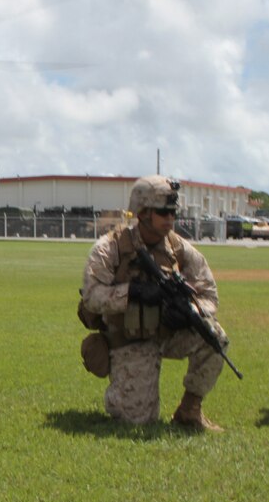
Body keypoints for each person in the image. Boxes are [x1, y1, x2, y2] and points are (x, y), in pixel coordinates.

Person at [80, 175, 228, 431]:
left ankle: (190, 410)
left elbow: (209, 293)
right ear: (143, 212)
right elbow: (92, 296)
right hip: (130, 339)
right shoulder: (110, 247)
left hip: (169, 333)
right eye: (163, 212)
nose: (170, 218)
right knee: (137, 420)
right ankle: (119, 394)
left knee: (215, 337)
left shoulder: (177, 247)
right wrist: (133, 292)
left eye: (173, 212)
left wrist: (190, 311)